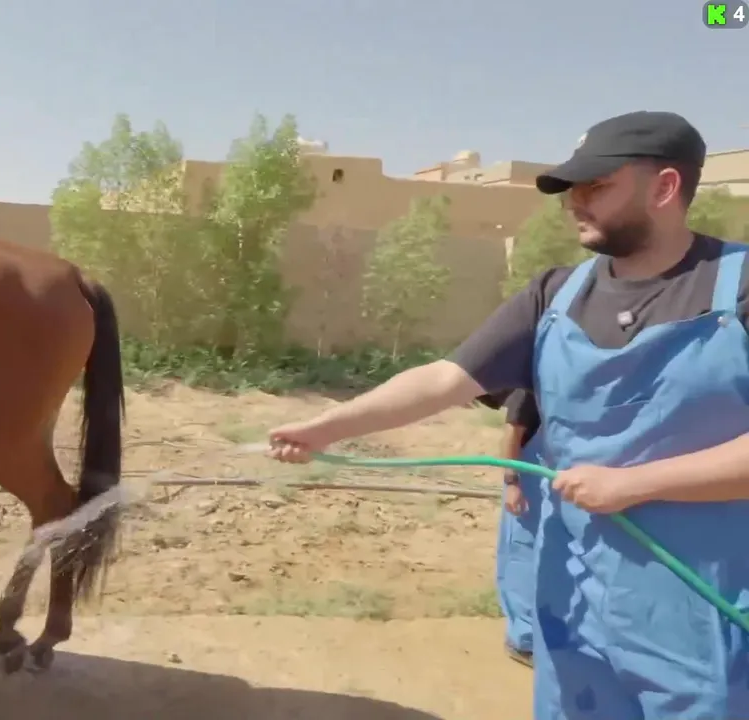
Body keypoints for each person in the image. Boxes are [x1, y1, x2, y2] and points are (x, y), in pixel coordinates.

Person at [267, 110, 749, 719]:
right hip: (575, 607)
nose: (574, 202)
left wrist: (635, 485)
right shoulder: (556, 294)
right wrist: (325, 428)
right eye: (570, 188)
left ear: (665, 187)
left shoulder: (739, 288)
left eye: (596, 186)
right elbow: (444, 380)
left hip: (705, 617)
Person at [479, 389, 541, 667]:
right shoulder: (530, 388)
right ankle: (522, 640)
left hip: (553, 479)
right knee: (523, 553)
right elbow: (512, 433)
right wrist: (512, 483)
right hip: (527, 478)